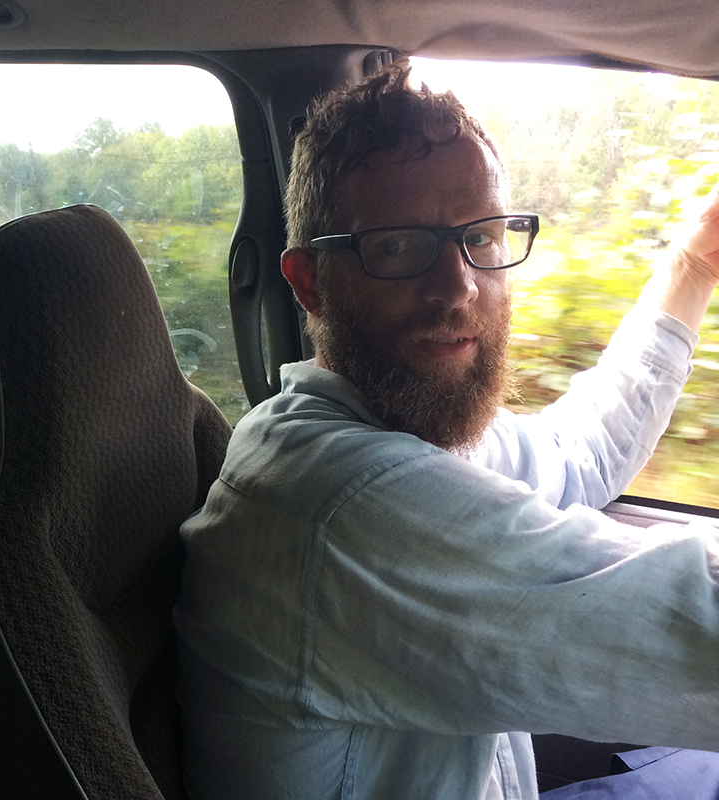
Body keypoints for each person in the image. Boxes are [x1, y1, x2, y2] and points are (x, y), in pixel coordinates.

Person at [174, 59, 719, 800]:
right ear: (308, 282)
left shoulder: (400, 435)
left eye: (484, 236)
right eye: (398, 245)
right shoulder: (338, 505)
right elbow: (691, 625)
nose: (458, 287)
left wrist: (693, 264)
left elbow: (580, 450)